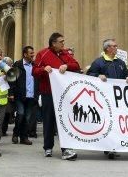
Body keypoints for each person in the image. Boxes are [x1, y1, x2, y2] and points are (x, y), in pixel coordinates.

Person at [34, 32, 81, 161]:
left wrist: (67, 66)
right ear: (53, 43)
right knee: (48, 121)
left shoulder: (66, 54)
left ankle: (66, 149)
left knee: (64, 120)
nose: (63, 44)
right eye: (61, 41)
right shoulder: (42, 54)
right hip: (48, 93)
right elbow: (35, 71)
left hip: (63, 94)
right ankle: (48, 147)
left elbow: (76, 66)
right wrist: (44, 69)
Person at [88, 39, 128, 160]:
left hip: (118, 100)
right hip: (104, 100)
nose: (116, 48)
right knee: (107, 123)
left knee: (116, 123)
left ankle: (114, 145)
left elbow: (127, 75)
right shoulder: (98, 62)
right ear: (107, 48)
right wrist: (98, 76)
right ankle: (108, 147)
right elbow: (89, 75)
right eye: (114, 46)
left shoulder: (121, 63)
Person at [12, 45, 36, 146]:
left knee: (27, 117)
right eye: (31, 53)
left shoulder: (35, 65)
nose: (33, 55)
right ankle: (15, 133)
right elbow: (12, 80)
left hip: (31, 96)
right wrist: (11, 93)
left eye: (33, 53)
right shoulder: (17, 65)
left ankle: (24, 137)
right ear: (25, 54)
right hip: (20, 95)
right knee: (20, 114)